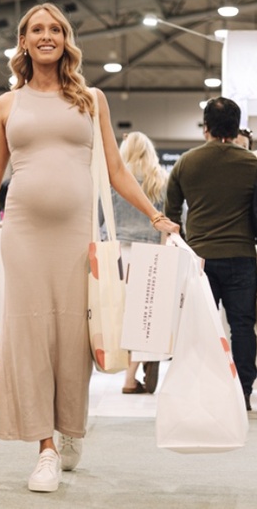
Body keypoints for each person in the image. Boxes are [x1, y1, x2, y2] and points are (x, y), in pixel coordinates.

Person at [0, 3, 178, 494]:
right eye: (36, 30)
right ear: (23, 42)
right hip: (22, 235)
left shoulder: (91, 99)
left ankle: (70, 427)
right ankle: (43, 447)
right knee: (29, 339)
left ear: (66, 40)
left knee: (72, 339)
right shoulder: (7, 104)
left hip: (76, 237)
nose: (46, 36)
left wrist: (155, 215)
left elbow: (115, 169)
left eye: (55, 30)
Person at [165, 97, 257, 413]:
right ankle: (243, 394)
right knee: (242, 327)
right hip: (242, 257)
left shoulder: (186, 162)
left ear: (206, 127)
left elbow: (171, 214)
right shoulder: (252, 163)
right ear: (237, 128)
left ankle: (203, 390)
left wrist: (186, 244)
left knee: (201, 328)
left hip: (200, 261)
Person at [114, 132, 167, 395]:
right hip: (151, 253)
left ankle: (128, 372)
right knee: (144, 316)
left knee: (123, 314)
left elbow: (101, 219)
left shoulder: (115, 180)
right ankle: (133, 374)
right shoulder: (160, 181)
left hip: (120, 254)